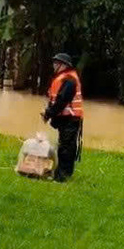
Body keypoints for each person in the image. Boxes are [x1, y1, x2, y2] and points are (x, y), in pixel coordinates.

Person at [42, 53, 84, 182]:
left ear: (64, 65)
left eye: (56, 63)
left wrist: (49, 113)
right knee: (64, 147)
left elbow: (62, 101)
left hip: (71, 119)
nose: (54, 66)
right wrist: (48, 112)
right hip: (65, 119)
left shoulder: (69, 80)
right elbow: (55, 100)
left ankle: (62, 177)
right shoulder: (61, 79)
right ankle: (61, 174)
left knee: (66, 149)